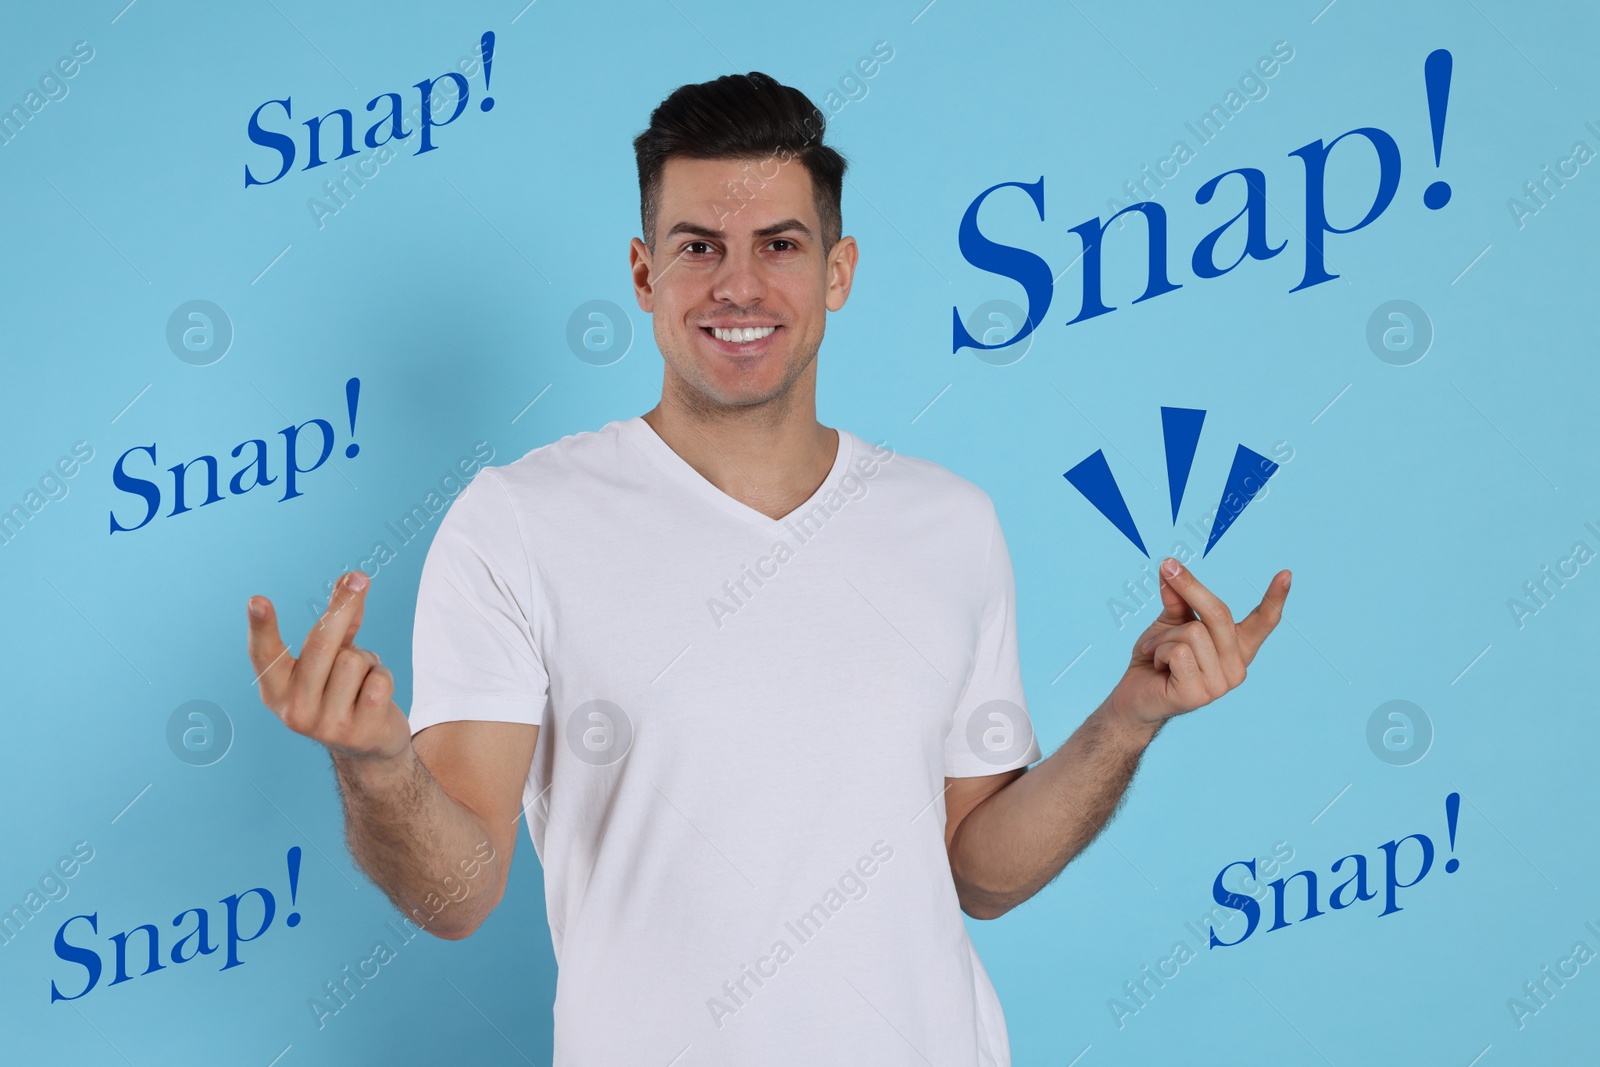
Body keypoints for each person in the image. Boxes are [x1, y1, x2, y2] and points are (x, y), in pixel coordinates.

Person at [246, 71, 1291, 1066]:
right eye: (697, 245)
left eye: (779, 244)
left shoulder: (948, 522)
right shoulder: (517, 521)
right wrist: (377, 763)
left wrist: (1125, 717)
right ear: (644, 273)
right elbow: (456, 894)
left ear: (837, 271)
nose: (737, 284)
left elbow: (978, 866)